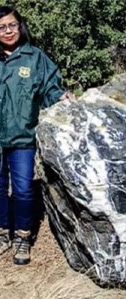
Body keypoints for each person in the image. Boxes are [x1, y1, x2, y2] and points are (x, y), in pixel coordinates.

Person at [0, 5, 72, 265]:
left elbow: (50, 87)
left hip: (22, 138)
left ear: (20, 26)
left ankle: (22, 235)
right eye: (2, 27)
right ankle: (2, 231)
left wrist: (60, 97)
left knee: (22, 190)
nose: (8, 31)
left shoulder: (34, 57)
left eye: (12, 25)